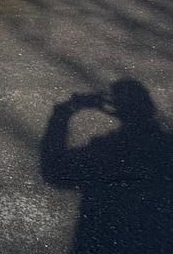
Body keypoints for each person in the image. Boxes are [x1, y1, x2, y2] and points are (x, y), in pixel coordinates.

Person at [40, 79, 173, 253]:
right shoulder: (166, 148)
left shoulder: (106, 152)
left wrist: (64, 111)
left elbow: (55, 170)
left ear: (113, 109)